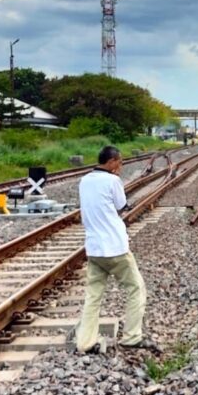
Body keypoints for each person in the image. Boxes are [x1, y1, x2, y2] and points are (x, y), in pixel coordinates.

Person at [75, 146, 154, 354]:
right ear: (111, 162)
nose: (120, 166)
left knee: (93, 295)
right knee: (136, 288)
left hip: (94, 249)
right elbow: (121, 205)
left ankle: (85, 342)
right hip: (115, 247)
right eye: (119, 162)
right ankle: (132, 337)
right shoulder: (112, 181)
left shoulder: (84, 180)